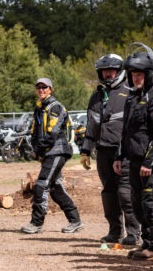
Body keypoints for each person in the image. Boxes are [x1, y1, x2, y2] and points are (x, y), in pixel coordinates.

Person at [79, 54, 140, 245]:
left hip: (123, 151)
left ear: (120, 71)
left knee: (125, 192)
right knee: (108, 193)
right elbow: (92, 125)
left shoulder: (129, 92)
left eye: (111, 70)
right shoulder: (96, 96)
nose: (108, 74)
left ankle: (134, 233)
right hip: (103, 151)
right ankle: (114, 231)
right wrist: (85, 150)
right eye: (104, 71)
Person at [115, 52, 153, 259]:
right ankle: (147, 241)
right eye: (132, 74)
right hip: (134, 161)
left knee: (151, 201)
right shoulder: (132, 98)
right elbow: (126, 131)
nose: (136, 78)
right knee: (137, 203)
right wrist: (120, 157)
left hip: (152, 163)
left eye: (140, 74)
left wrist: (150, 161)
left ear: (149, 74)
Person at [21, 77, 82, 234]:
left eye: (44, 87)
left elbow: (52, 134)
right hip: (49, 152)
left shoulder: (55, 107)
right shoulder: (39, 108)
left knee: (41, 184)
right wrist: (34, 149)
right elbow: (35, 132)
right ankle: (75, 221)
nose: (41, 90)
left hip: (58, 150)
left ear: (50, 89)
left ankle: (36, 223)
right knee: (55, 189)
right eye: (38, 87)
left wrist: (38, 151)